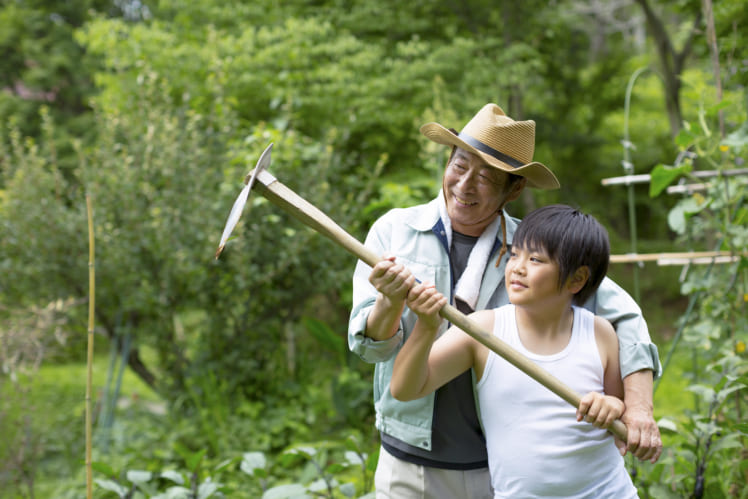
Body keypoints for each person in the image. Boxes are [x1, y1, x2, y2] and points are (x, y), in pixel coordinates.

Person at [348, 103, 662, 498]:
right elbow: (368, 346)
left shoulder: (535, 247)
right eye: (460, 167)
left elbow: (626, 317)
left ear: (514, 189)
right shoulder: (395, 231)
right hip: (410, 460)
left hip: (493, 468)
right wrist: (390, 305)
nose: (464, 186)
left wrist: (635, 407)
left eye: (485, 178)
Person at [390, 204, 642, 498]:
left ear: (577, 279)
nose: (517, 267)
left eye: (535, 259)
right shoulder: (484, 330)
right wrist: (426, 326)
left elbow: (619, 414)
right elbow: (405, 389)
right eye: (514, 255)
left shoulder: (600, 333)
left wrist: (612, 405)